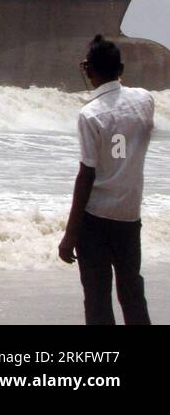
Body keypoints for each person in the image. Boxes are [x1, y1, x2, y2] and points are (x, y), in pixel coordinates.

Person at [58, 35, 154, 325]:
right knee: (132, 293)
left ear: (89, 71)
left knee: (98, 300)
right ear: (121, 67)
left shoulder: (90, 114)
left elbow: (86, 175)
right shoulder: (145, 100)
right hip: (129, 214)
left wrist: (70, 235)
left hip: (96, 219)